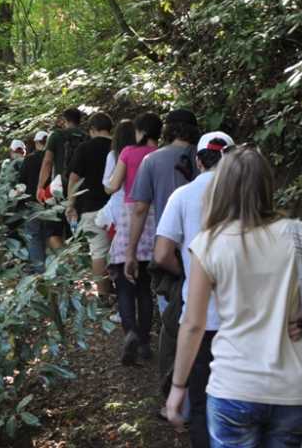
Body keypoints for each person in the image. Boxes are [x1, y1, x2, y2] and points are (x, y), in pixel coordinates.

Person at [166, 145, 302, 446]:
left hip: (233, 386)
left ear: (221, 187)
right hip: (292, 391)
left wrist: (178, 386)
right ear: (267, 186)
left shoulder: (209, 244)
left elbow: (193, 324)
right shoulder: (298, 233)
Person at [153, 131, 234, 447]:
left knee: (201, 404)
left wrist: (188, 273)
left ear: (198, 161)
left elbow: (162, 253)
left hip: (201, 316)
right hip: (245, 319)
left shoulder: (183, 196)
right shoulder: (247, 197)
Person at [125, 108, 199, 404]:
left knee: (173, 323)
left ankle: (177, 396)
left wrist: (131, 252)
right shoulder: (207, 158)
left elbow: (140, 209)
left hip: (167, 251)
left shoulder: (152, 161)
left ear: (168, 130)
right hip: (207, 252)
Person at [104, 112, 162, 364]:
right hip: (155, 216)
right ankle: (145, 343)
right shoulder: (162, 154)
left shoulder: (127, 152)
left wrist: (107, 185)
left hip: (131, 215)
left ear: (142, 132)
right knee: (145, 287)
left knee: (124, 284)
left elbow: (113, 185)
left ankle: (130, 334)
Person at [65, 112, 114, 302]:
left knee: (98, 251)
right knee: (120, 249)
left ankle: (104, 296)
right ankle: (123, 292)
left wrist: (71, 204)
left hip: (91, 206)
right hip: (118, 207)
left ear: (92, 129)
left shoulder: (84, 148)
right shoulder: (118, 147)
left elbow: (74, 179)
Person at [37, 108, 88, 247]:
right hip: (80, 190)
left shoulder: (56, 136)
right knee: (76, 230)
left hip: (58, 189)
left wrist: (40, 187)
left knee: (53, 232)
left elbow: (47, 162)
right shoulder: (87, 137)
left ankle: (65, 258)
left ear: (64, 120)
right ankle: (77, 257)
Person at [18, 131, 48, 270]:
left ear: (36, 142)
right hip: (51, 202)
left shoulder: (29, 159)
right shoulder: (53, 158)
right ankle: (54, 270)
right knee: (50, 236)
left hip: (32, 203)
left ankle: (39, 271)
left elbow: (21, 182)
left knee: (34, 236)